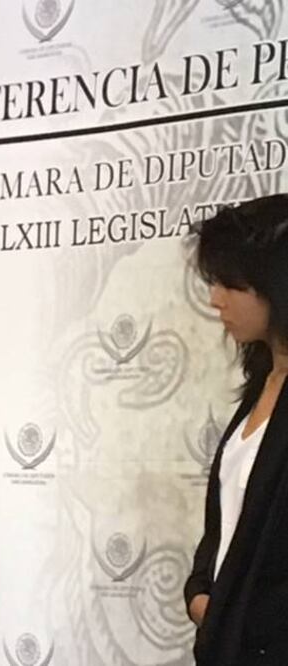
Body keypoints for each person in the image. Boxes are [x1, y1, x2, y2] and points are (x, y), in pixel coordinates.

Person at [185, 194, 288, 665]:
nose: (214, 298)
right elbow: (227, 518)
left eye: (230, 282)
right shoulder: (262, 382)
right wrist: (202, 590)